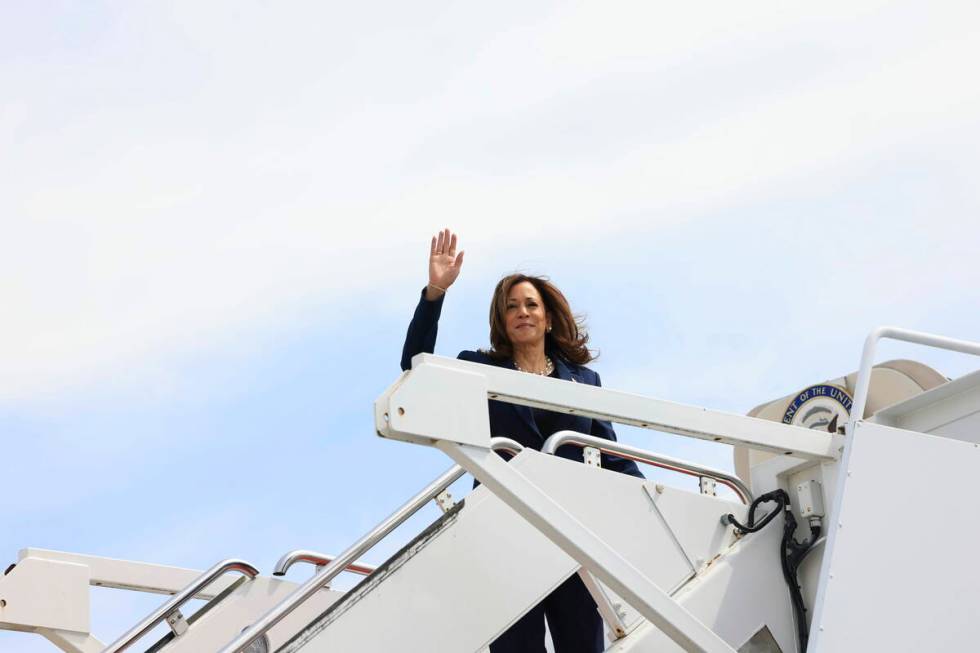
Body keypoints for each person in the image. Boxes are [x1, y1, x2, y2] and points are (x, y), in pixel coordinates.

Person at [400, 228, 644, 653]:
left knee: (583, 645)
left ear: (548, 317)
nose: (522, 312)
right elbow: (414, 367)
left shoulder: (584, 382)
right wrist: (435, 293)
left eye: (531, 304)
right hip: (504, 529)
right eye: (511, 307)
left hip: (571, 532)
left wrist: (650, 502)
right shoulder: (478, 369)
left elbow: (610, 457)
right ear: (502, 320)